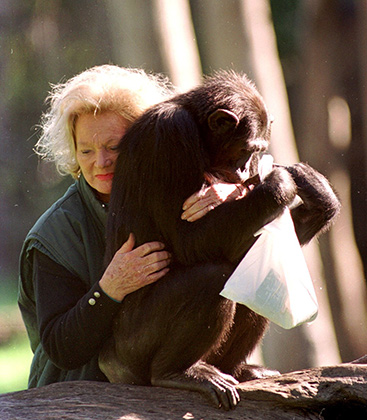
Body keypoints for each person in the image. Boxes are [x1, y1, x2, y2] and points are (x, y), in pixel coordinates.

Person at [18, 64, 246, 388]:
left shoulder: (164, 181)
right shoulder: (55, 233)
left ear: (145, 139)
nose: (101, 161)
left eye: (114, 147)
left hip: (160, 374)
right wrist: (110, 288)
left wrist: (232, 188)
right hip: (76, 394)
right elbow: (60, 349)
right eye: (86, 150)